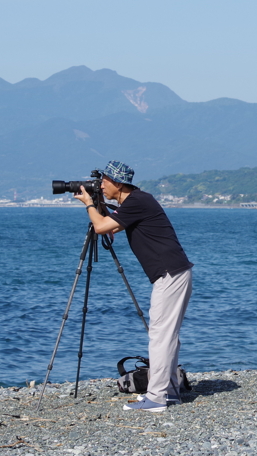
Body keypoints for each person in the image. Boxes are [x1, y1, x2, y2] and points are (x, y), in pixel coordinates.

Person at [75, 160, 193, 413]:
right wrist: (102, 211)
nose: (100, 186)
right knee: (166, 335)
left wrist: (88, 205)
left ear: (118, 183)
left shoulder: (137, 201)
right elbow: (110, 226)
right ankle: (169, 391)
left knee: (160, 336)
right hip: (172, 273)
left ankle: (158, 397)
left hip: (170, 274)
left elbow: (101, 226)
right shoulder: (136, 202)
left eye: (104, 182)